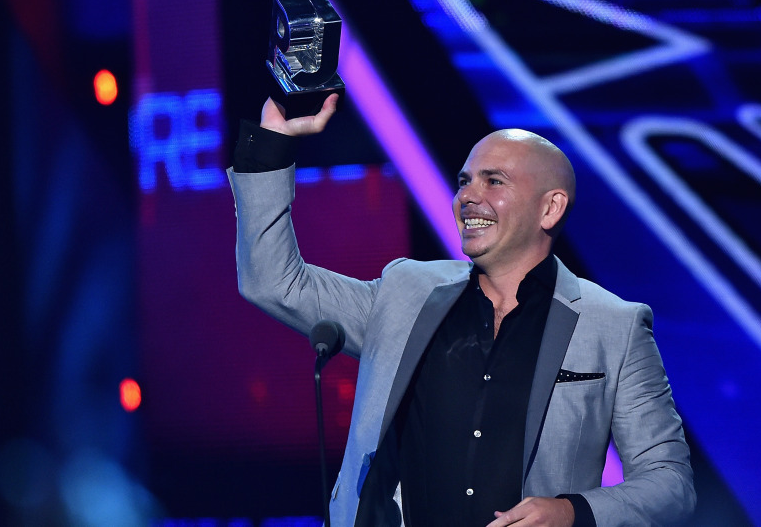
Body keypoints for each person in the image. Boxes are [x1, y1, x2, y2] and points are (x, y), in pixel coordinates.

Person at [229, 94, 695, 526]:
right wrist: (273, 144)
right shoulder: (405, 293)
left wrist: (573, 512)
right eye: (465, 181)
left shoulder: (613, 324)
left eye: (494, 181)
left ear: (550, 208)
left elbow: (669, 482)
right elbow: (274, 281)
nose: (468, 196)